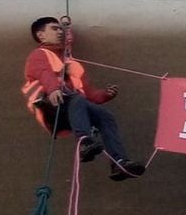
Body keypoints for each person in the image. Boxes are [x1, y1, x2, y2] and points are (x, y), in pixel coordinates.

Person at [23, 17, 146, 181]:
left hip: (72, 108)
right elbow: (43, 72)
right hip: (51, 106)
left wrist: (105, 95)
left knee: (105, 116)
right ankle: (85, 142)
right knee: (76, 99)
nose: (59, 31)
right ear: (41, 35)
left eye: (61, 29)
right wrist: (53, 89)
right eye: (54, 29)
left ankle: (119, 162)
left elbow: (88, 94)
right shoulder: (39, 54)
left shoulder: (70, 63)